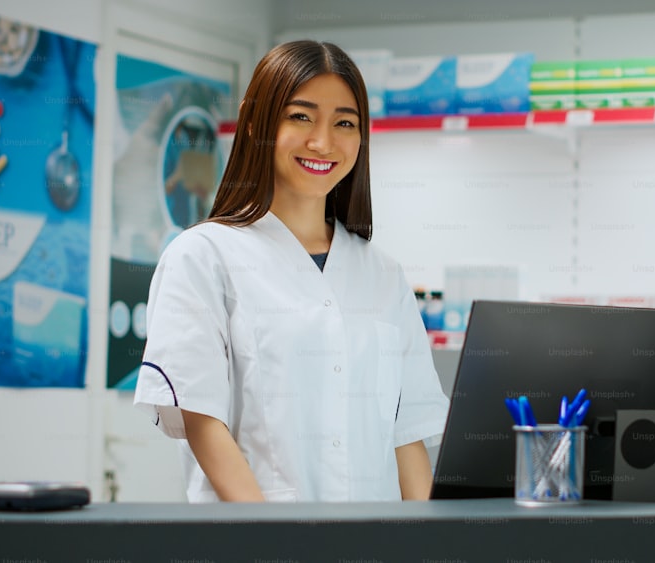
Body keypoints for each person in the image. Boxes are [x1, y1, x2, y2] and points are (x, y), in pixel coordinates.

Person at [133, 40, 450, 503]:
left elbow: (406, 436)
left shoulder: (383, 274)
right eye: (300, 116)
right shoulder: (203, 256)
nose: (323, 142)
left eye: (344, 122)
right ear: (258, 123)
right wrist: (277, 540)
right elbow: (204, 423)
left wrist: (433, 545)